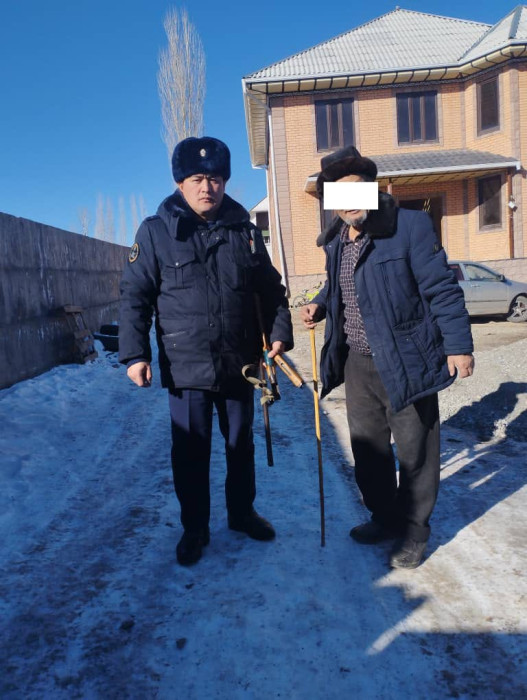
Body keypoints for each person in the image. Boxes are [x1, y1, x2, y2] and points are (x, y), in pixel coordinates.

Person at [119, 136, 293, 566]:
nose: (207, 187)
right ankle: (194, 528)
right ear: (180, 183)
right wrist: (135, 355)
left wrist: (279, 333)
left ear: (225, 182)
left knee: (240, 445)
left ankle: (242, 513)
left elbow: (271, 289)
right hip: (186, 366)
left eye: (215, 178)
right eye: (197, 178)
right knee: (190, 452)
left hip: (240, 362)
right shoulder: (156, 232)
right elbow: (134, 296)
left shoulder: (244, 232)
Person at [301, 145, 474, 569]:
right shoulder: (336, 241)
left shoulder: (409, 226)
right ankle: (384, 517)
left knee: (416, 452)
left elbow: (441, 288)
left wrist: (459, 345)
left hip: (406, 358)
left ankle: (414, 531)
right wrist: (321, 303)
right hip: (358, 363)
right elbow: (341, 285)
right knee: (369, 452)